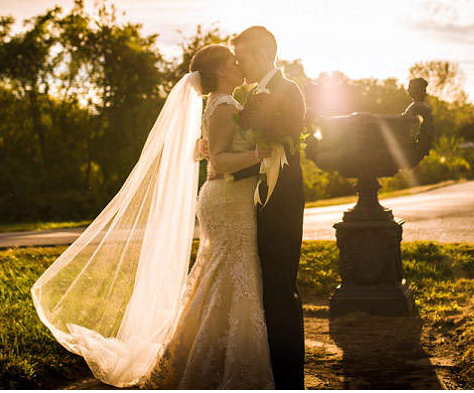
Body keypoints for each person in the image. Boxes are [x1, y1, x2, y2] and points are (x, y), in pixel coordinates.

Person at [31, 44, 275, 389]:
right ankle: (219, 366)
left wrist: (213, 147)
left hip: (227, 201)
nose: (239, 66)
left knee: (218, 279)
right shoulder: (222, 105)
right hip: (226, 202)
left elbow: (206, 149)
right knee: (231, 276)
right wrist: (258, 153)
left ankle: (200, 357)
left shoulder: (222, 105)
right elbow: (218, 162)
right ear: (220, 71)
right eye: (233, 62)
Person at [229, 26, 306, 390]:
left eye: (242, 57)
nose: (238, 65)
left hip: (282, 205)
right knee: (263, 290)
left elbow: (276, 146)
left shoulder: (287, 91)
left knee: (281, 289)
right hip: (256, 203)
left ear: (262, 54)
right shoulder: (251, 95)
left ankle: (290, 381)